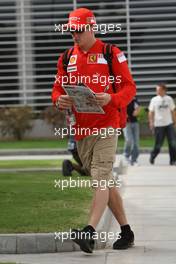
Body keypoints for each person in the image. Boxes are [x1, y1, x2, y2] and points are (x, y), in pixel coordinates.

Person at [52, 7, 136, 253]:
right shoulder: (67, 57)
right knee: (105, 181)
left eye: (78, 31)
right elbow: (57, 89)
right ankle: (127, 232)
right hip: (81, 131)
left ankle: (88, 231)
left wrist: (111, 99)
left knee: (99, 177)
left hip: (107, 127)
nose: (75, 36)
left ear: (91, 27)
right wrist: (59, 100)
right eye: (71, 32)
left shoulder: (112, 53)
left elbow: (130, 88)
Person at [148, 83, 176, 165]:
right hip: (159, 125)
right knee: (158, 144)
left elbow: (173, 111)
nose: (157, 91)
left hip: (169, 124)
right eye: (156, 90)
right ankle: (152, 156)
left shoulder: (169, 99)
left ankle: (173, 160)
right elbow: (151, 112)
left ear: (164, 90)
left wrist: (174, 122)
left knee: (173, 143)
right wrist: (151, 122)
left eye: (159, 90)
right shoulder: (154, 99)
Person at [123, 97, 140, 165]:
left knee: (136, 141)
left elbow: (138, 107)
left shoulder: (134, 99)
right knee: (129, 140)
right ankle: (126, 156)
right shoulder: (123, 98)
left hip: (135, 122)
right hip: (126, 123)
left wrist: (137, 111)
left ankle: (134, 159)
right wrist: (123, 114)